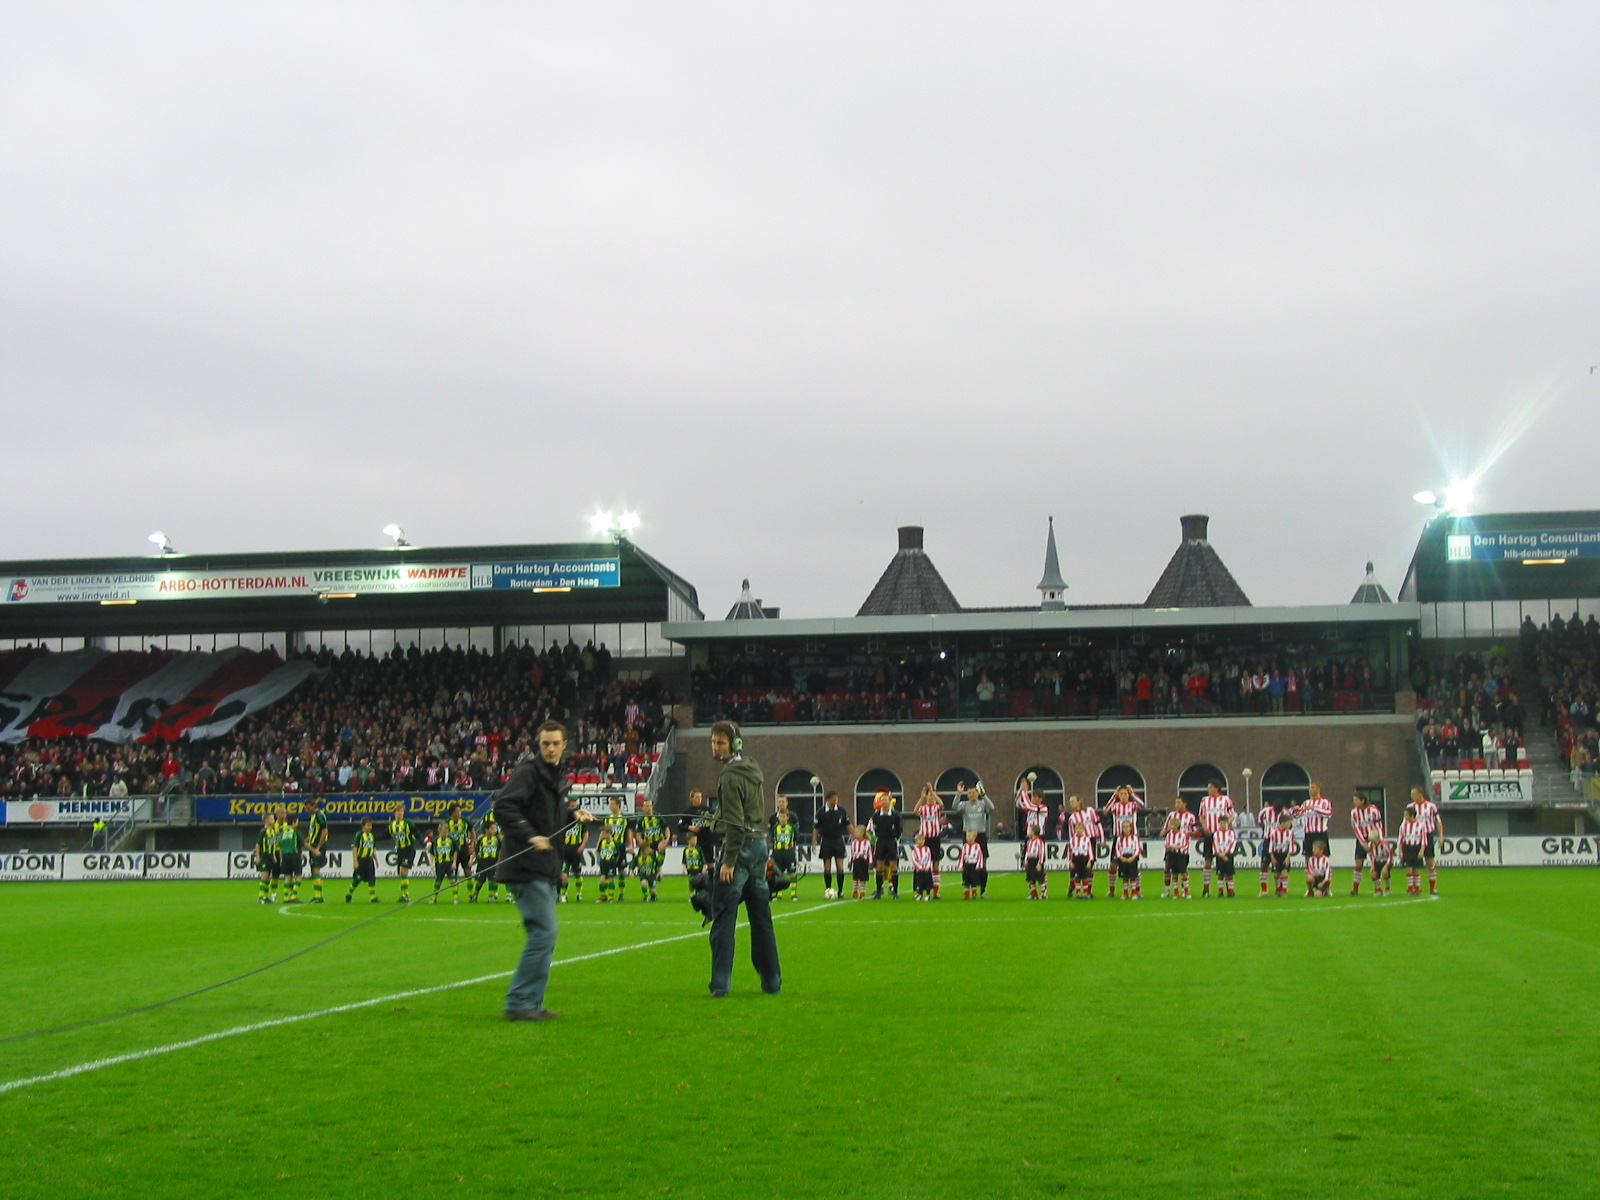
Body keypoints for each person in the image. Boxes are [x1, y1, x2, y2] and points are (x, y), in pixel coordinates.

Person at [494, 719, 597, 1022]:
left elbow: (548, 814)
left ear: (565, 746)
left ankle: (532, 1003)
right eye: (545, 744)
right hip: (526, 867)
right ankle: (520, 1001)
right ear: (538, 746)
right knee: (545, 932)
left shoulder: (555, 778)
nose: (551, 748)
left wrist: (572, 814)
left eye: (555, 743)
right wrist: (530, 835)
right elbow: (504, 807)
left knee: (544, 935)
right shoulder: (529, 772)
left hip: (545, 867)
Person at [706, 720, 781, 998]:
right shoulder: (752, 769)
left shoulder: (729, 776)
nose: (715, 747)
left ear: (734, 743)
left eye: (720, 742)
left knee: (724, 919)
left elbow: (735, 823)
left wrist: (728, 861)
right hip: (759, 847)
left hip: (739, 849)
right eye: (713, 742)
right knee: (762, 920)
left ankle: (720, 984)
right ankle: (772, 982)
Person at [1102, 786, 1145, 899]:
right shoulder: (1116, 806)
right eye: (1121, 794)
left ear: (1128, 795)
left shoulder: (1133, 805)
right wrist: (1114, 795)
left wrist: (1133, 793)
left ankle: (1138, 890)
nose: (1123, 796)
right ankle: (1112, 890)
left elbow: (1142, 805)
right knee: (1113, 865)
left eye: (1125, 793)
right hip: (1119, 838)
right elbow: (1106, 810)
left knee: (1134, 865)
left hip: (1132, 838)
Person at [1196, 780, 1235, 898]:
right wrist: (1205, 827)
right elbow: (1201, 816)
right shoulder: (1205, 800)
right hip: (1209, 833)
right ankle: (1206, 889)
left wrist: (1226, 824)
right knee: (1208, 861)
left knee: (1225, 861)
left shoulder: (1226, 799)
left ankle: (1229, 890)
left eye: (1210, 787)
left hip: (1222, 835)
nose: (1209, 790)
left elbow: (1232, 814)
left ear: (1217, 788)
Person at [814, 790, 850, 899]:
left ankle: (840, 891)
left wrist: (856, 835)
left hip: (838, 840)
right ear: (828, 800)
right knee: (827, 867)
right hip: (826, 840)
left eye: (837, 799)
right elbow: (816, 828)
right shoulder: (820, 812)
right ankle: (828, 889)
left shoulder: (841, 811)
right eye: (834, 799)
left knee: (840, 866)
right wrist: (814, 842)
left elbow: (848, 824)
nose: (836, 801)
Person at [913, 784, 946, 898]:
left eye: (932, 795)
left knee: (935, 865)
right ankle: (920, 890)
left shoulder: (936, 808)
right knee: (922, 866)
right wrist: (922, 798)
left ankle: (936, 892)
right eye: (929, 795)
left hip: (935, 838)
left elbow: (941, 804)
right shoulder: (923, 808)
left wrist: (933, 792)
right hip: (925, 839)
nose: (931, 797)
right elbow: (915, 810)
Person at [868, 790, 902, 899]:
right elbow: (874, 828)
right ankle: (879, 891)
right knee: (879, 866)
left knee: (893, 866)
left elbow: (899, 829)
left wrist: (895, 837)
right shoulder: (876, 815)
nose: (884, 802)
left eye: (886, 800)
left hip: (891, 841)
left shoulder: (896, 815)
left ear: (890, 801)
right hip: (881, 841)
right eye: (882, 800)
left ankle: (895, 891)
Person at [1411, 785, 1445, 895]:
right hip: (1415, 837)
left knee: (1430, 862)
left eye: (1414, 794)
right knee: (1415, 863)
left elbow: (1438, 821)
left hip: (1428, 835)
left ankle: (1433, 888)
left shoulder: (1431, 806)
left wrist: (1441, 836)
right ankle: (1417, 888)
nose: (1412, 796)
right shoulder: (1410, 807)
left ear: (1420, 794)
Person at [1349, 794, 1385, 896]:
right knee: (1358, 864)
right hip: (1362, 839)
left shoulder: (1373, 810)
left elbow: (1379, 826)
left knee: (1374, 864)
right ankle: (1355, 889)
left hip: (1373, 838)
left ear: (1362, 801)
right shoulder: (1354, 812)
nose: (1354, 802)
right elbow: (1356, 829)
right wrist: (1363, 843)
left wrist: (1380, 840)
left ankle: (1378, 888)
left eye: (1356, 800)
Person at [1161, 800, 1197, 899]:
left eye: (1178, 802)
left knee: (1183, 871)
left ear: (1185, 803)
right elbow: (1165, 830)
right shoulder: (1171, 815)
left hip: (1182, 851)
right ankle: (1168, 890)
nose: (1176, 804)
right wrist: (1164, 832)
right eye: (1175, 802)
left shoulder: (1190, 816)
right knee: (1168, 870)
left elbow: (1195, 831)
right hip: (1171, 852)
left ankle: (1185, 891)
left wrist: (1186, 835)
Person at [1064, 796, 1098, 899]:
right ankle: (1073, 887)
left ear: (1079, 801)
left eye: (1073, 801)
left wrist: (1102, 838)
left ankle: (1088, 891)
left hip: (1090, 840)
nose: (1071, 804)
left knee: (1089, 868)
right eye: (1070, 802)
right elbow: (1071, 833)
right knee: (1074, 869)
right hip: (1077, 845)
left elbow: (1098, 824)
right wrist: (1072, 844)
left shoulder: (1089, 811)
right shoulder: (1072, 818)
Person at [770, 796, 801, 902]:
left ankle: (794, 893)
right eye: (779, 801)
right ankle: (779, 893)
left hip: (789, 852)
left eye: (783, 801)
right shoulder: (775, 827)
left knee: (792, 872)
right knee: (779, 872)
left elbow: (796, 837)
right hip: (778, 853)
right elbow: (772, 838)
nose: (782, 818)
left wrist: (792, 848)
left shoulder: (792, 827)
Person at [388, 802, 417, 904]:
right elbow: (385, 835)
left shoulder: (408, 824)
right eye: (398, 811)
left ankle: (405, 894)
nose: (400, 813)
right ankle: (404, 894)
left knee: (403, 870)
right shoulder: (392, 825)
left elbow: (417, 834)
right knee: (402, 872)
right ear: (394, 813)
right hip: (400, 850)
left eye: (402, 811)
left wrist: (425, 844)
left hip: (408, 849)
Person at [1397, 803, 1429, 896]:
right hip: (1407, 847)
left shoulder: (1421, 825)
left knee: (1416, 869)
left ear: (1411, 815)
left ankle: (1417, 888)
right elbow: (1400, 839)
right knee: (1408, 868)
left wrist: (1422, 850)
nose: (1405, 816)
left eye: (1406, 814)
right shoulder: (1403, 826)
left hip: (1416, 848)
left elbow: (1423, 839)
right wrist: (1400, 850)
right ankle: (1410, 888)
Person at [560, 801, 588, 903]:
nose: (574, 808)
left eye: (575, 806)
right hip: (565, 848)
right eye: (572, 806)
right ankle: (564, 895)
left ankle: (579, 894)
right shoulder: (564, 820)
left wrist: (583, 845)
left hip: (576, 848)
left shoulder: (580, 820)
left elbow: (586, 833)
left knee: (577, 873)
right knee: (564, 873)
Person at [1296, 782, 1333, 860]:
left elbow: (1329, 814)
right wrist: (1295, 810)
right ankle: (1308, 871)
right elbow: (1297, 815)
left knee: (1323, 856)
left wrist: (1315, 808)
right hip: (1308, 833)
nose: (1310, 790)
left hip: (1320, 833)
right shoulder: (1306, 803)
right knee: (1308, 856)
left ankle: (1324, 871)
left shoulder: (1325, 802)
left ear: (1318, 789)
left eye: (1313, 787)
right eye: (1310, 788)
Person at [346, 816, 379, 903]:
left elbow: (373, 849)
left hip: (369, 860)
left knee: (372, 878)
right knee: (357, 879)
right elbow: (355, 848)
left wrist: (376, 860)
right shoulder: (359, 835)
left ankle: (372, 897)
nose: (370, 827)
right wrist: (355, 861)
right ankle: (349, 894)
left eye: (371, 825)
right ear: (363, 826)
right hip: (361, 860)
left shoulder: (372, 836)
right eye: (368, 825)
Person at [472, 816, 502, 902]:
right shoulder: (481, 840)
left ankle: (491, 897)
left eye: (495, 828)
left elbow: (500, 850)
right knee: (480, 880)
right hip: (482, 862)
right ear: (486, 830)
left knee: (492, 879)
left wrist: (499, 861)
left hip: (493, 862)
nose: (494, 830)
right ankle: (474, 894)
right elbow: (476, 850)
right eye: (492, 828)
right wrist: (471, 860)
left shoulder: (497, 840)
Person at [1265, 814, 1296, 898]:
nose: (1290, 825)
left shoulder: (1290, 833)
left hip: (1285, 854)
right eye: (1289, 823)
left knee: (1284, 872)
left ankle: (1284, 891)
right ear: (1282, 823)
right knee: (1276, 874)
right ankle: (1278, 889)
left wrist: (1288, 857)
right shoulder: (1274, 832)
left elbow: (1291, 845)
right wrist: (1272, 856)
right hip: (1276, 854)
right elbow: (1271, 844)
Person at [305, 797, 329, 903]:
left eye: (307, 808)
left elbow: (324, 831)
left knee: (316, 869)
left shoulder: (319, 815)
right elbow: (312, 833)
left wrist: (318, 847)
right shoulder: (313, 816)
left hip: (317, 846)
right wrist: (305, 841)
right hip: (313, 845)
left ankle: (318, 896)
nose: (306, 810)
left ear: (313, 806)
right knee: (314, 869)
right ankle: (317, 895)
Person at [254, 810, 279, 904]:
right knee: (265, 875)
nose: (274, 820)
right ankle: (261, 897)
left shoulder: (272, 831)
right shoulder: (263, 831)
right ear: (267, 820)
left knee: (268, 876)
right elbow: (258, 844)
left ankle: (265, 896)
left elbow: (272, 845)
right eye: (272, 819)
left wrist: (273, 856)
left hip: (270, 856)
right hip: (264, 855)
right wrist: (258, 856)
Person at [278, 813, 304, 903]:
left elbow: (280, 846)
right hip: (294, 855)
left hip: (285, 856)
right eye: (297, 822)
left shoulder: (283, 832)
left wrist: (281, 858)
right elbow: (302, 843)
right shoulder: (296, 832)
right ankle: (294, 895)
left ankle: (286, 896)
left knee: (288, 876)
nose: (297, 824)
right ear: (293, 822)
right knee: (299, 875)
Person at [1113, 820, 1142, 899]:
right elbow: (1117, 849)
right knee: (1124, 876)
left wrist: (1133, 857)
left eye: (1127, 827)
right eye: (1123, 827)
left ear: (1130, 828)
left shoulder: (1134, 838)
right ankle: (1125, 893)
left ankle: (1134, 892)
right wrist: (1121, 858)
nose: (1125, 829)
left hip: (1132, 858)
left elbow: (1137, 849)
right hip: (1123, 858)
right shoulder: (1120, 839)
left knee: (1132, 875)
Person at [1212, 815, 1239, 898]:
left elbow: (1232, 844)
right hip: (1219, 856)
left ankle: (1231, 892)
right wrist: (1220, 854)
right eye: (1221, 823)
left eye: (1224, 823)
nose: (1223, 825)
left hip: (1228, 855)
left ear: (1228, 823)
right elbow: (1215, 845)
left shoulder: (1231, 833)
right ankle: (1220, 892)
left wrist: (1226, 853)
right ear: (1219, 824)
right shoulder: (1216, 834)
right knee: (1220, 874)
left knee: (1230, 874)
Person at [959, 829, 987, 899]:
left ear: (974, 837)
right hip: (967, 865)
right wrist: (961, 865)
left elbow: (980, 856)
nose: (968, 838)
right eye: (967, 836)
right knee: (966, 880)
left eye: (969, 836)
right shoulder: (965, 846)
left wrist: (979, 865)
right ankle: (967, 894)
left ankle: (974, 894)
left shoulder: (977, 846)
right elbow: (962, 856)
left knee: (974, 880)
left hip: (974, 865)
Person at [848, 826, 873, 900]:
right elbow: (852, 853)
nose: (855, 834)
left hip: (863, 862)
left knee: (863, 878)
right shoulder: (854, 842)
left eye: (857, 832)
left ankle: (862, 893)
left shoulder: (866, 842)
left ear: (862, 833)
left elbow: (869, 853)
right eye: (855, 832)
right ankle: (855, 892)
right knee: (855, 878)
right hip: (856, 861)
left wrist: (870, 862)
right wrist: (850, 862)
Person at [1023, 828, 1048, 900]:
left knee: (1040, 878)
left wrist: (1040, 862)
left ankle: (1044, 893)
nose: (1028, 832)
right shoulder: (1029, 841)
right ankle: (1034, 894)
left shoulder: (1039, 841)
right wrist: (1026, 860)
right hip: (1030, 860)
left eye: (1030, 830)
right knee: (1031, 878)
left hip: (1036, 861)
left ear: (1034, 832)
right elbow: (1027, 851)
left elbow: (1042, 852)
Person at [909, 834, 935, 900]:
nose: (920, 842)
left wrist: (927, 867)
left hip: (926, 869)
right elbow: (914, 860)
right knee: (919, 882)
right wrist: (920, 867)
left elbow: (929, 858)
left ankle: (928, 895)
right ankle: (919, 894)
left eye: (922, 840)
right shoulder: (914, 850)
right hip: (919, 870)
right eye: (919, 840)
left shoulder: (927, 849)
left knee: (927, 882)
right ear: (916, 841)